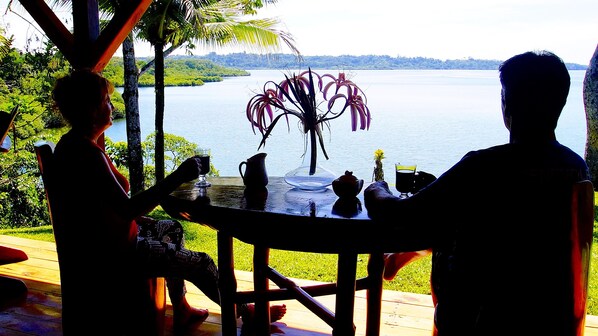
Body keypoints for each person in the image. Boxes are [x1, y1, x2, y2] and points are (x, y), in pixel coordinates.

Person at [365, 50, 589, 336]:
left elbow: (398, 215)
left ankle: (411, 251)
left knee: (451, 231)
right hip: (551, 316)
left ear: (506, 103)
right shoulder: (575, 167)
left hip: (478, 317)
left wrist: (376, 188)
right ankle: (410, 252)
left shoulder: (482, 166)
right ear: (561, 102)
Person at [50, 69, 286, 334]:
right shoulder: (87, 155)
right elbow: (128, 208)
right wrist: (177, 177)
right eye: (106, 100)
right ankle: (246, 311)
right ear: (90, 109)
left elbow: (89, 204)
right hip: (117, 254)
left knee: (171, 228)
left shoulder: (73, 145)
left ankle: (182, 308)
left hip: (103, 241)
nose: (111, 106)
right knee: (202, 262)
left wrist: (134, 217)